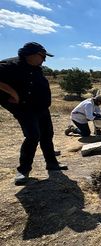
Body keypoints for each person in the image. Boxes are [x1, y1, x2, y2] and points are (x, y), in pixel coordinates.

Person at [0, 42, 67, 185]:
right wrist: (13, 94)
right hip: (25, 109)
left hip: (41, 108)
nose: (44, 59)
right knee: (33, 136)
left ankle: (52, 164)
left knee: (47, 135)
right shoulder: (10, 65)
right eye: (43, 56)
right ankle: (23, 170)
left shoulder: (35, 67)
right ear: (32, 54)